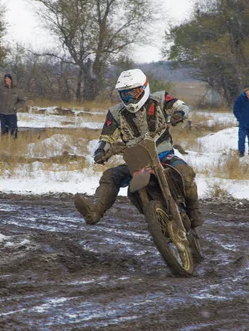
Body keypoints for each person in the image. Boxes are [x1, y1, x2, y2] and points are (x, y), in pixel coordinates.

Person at [73, 69, 204, 230]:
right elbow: (106, 137)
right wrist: (100, 152)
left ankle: (194, 211)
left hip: (163, 155)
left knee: (185, 173)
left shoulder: (160, 98)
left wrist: (179, 114)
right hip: (137, 161)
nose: (130, 97)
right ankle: (94, 211)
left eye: (134, 92)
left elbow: (181, 105)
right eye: (125, 94)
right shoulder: (115, 113)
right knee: (110, 175)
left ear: (144, 87)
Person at [0, 73, 26, 138]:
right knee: (4, 133)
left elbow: (23, 100)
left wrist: (15, 107)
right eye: (5, 78)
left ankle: (14, 145)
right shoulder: (2, 88)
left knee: (13, 133)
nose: (6, 80)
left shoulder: (17, 90)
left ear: (11, 80)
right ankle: (4, 145)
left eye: (7, 78)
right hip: (3, 114)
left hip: (12, 114)